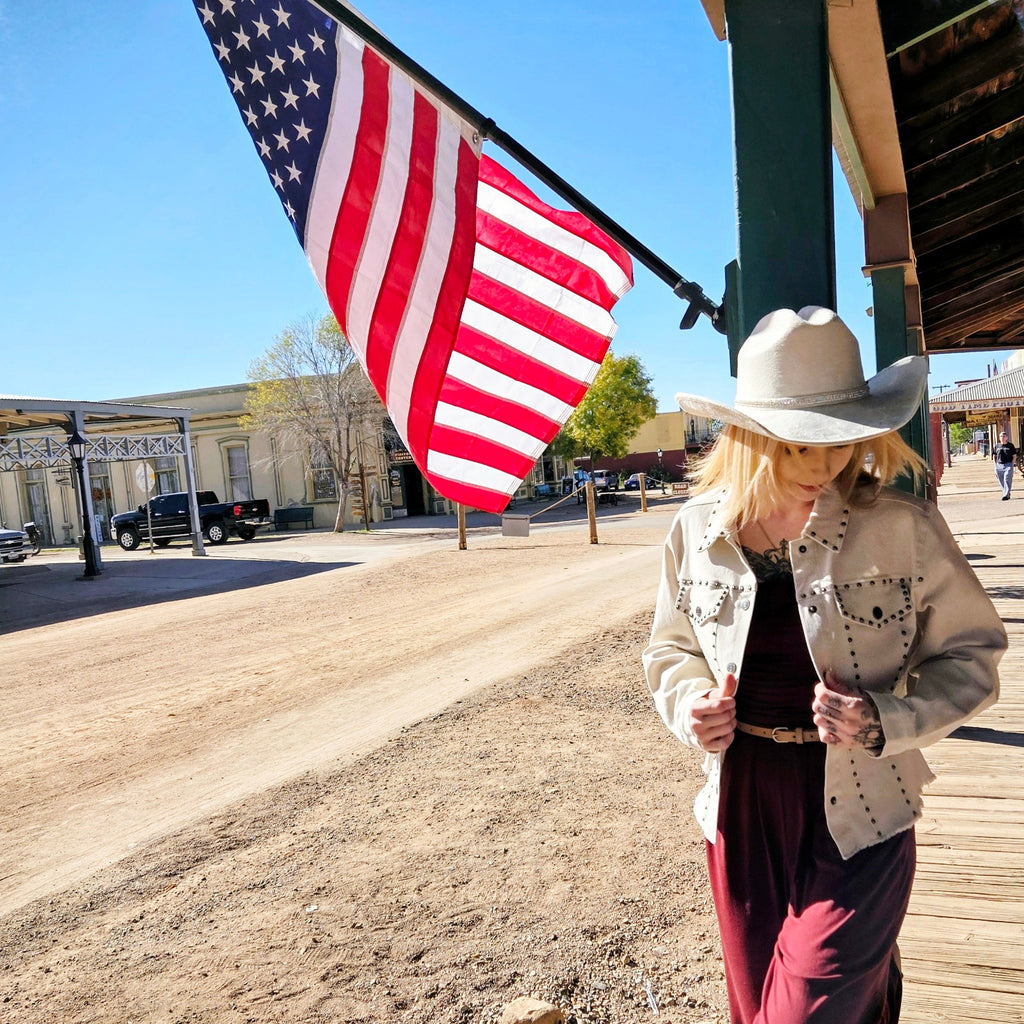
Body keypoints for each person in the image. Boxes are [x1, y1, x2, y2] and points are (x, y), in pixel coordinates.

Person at [643, 307, 1006, 1024]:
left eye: (838, 444)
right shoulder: (696, 531)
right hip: (742, 806)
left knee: (801, 1014)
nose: (824, 467)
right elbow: (669, 647)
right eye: (798, 448)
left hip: (864, 805)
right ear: (748, 441)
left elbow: (975, 654)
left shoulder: (900, 527)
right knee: (758, 1010)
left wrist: (884, 718)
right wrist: (689, 707)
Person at [992, 430, 1017, 500]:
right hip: (999, 465)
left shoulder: (1010, 445)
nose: (1002, 437)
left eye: (1004, 436)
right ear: (999, 438)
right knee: (1001, 480)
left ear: (1007, 437)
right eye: (1001, 436)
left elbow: (1014, 455)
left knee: (1007, 479)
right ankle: (1007, 492)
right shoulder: (997, 446)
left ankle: (1005, 494)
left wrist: (1012, 464)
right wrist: (995, 465)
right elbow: (994, 455)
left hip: (1008, 464)